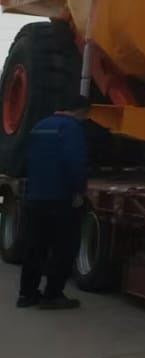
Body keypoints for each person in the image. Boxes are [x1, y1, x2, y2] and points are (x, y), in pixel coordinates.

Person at [16, 92, 90, 310]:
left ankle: (27, 295)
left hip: (35, 197)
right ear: (81, 111)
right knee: (63, 248)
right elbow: (75, 162)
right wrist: (78, 190)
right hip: (60, 198)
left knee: (35, 247)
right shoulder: (72, 128)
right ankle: (53, 295)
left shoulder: (39, 126)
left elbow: (25, 158)